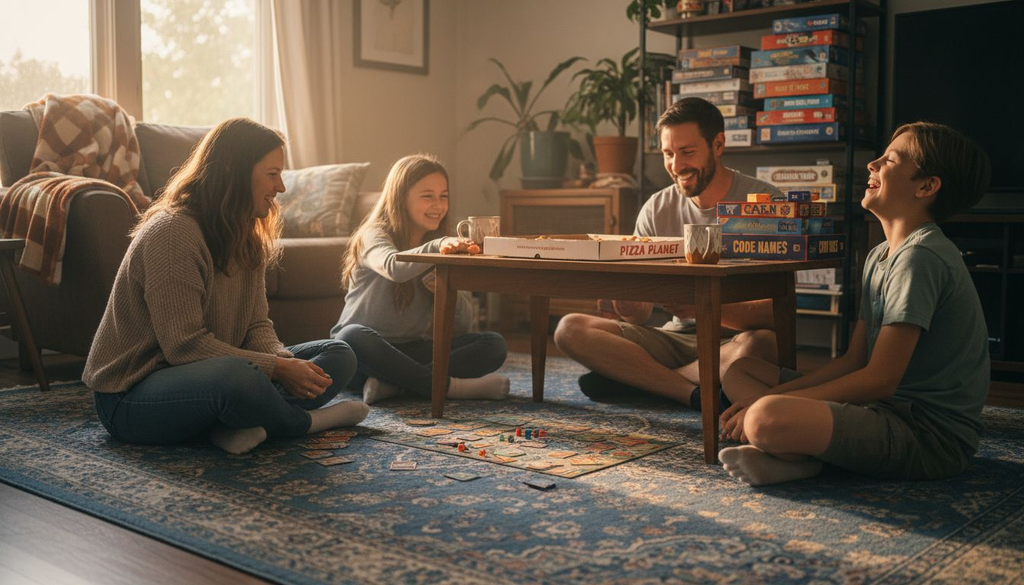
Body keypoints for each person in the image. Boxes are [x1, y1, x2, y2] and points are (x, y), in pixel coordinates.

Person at [718, 121, 992, 486]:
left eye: (890, 160)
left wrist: (768, 404)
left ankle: (798, 450)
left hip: (926, 436)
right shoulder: (880, 255)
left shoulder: (921, 257)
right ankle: (799, 451)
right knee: (738, 370)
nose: (872, 164)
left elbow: (880, 380)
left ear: (926, 187)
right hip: (878, 408)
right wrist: (775, 395)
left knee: (763, 417)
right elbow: (854, 361)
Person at [83, 118, 367, 455]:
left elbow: (257, 325)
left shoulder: (245, 233)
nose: (281, 187)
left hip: (213, 377)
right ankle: (303, 423)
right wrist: (276, 370)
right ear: (234, 170)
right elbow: (184, 347)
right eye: (272, 174)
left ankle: (237, 424)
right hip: (131, 398)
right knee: (239, 377)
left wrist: (284, 362)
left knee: (338, 355)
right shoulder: (172, 233)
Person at [553, 97, 782, 407]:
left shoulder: (766, 203)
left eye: (687, 152)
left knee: (764, 346)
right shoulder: (656, 208)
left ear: (718, 144)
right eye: (668, 154)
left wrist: (701, 306)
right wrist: (628, 304)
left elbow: (777, 312)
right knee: (570, 329)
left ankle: (644, 381)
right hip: (674, 338)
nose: (676, 166)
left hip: (735, 340)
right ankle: (688, 390)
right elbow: (641, 315)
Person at [331, 154, 509, 404]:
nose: (438, 205)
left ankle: (395, 386)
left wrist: (448, 292)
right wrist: (437, 246)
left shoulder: (442, 246)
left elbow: (463, 326)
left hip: (411, 349)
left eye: (443, 196)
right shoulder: (373, 234)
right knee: (350, 336)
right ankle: (451, 388)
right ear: (400, 198)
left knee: (493, 344)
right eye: (427, 196)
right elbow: (393, 267)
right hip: (363, 353)